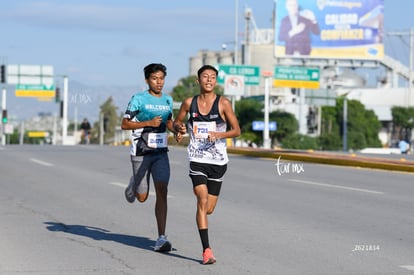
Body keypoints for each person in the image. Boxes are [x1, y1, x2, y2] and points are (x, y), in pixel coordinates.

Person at [173, 65, 241, 264]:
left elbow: (236, 130)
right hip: (197, 159)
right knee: (201, 201)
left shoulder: (223, 103)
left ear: (216, 81)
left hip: (218, 161)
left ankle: (206, 243)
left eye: (213, 77)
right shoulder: (189, 103)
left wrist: (219, 134)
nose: (209, 80)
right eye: (205, 76)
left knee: (209, 208)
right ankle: (206, 251)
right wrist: (178, 129)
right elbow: (177, 122)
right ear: (198, 81)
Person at [121, 63, 180, 252]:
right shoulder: (139, 99)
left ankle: (161, 238)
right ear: (147, 80)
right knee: (142, 197)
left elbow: (169, 122)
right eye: (155, 78)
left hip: (160, 152)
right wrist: (147, 122)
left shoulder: (168, 100)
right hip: (141, 151)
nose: (159, 82)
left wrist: (177, 129)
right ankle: (134, 185)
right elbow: (124, 124)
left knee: (162, 190)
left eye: (161, 78)